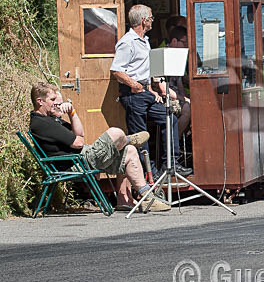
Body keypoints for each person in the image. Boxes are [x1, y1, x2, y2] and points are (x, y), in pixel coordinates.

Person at [29, 83, 169, 212]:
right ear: (40, 101)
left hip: (82, 158)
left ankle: (147, 197)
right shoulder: (41, 123)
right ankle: (127, 139)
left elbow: (80, 135)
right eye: (52, 100)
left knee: (130, 151)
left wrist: (72, 113)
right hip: (76, 162)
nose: (56, 103)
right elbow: (78, 143)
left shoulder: (51, 119)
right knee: (115, 132)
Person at [111, 5, 190, 177]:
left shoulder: (144, 41)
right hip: (132, 94)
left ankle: (171, 163)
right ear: (143, 20)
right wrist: (135, 85)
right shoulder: (127, 42)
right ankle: (149, 174)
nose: (153, 21)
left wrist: (150, 90)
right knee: (141, 136)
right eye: (151, 18)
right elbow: (117, 70)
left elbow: (143, 70)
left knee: (169, 118)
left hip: (144, 92)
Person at [166, 25, 191, 139]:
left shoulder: (178, 57)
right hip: (165, 96)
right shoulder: (164, 55)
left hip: (176, 95)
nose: (186, 46)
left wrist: (184, 96)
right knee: (187, 109)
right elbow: (162, 87)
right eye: (184, 43)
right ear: (174, 41)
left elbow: (179, 82)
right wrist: (182, 99)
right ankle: (175, 142)